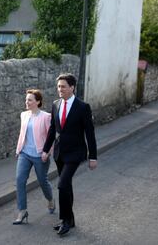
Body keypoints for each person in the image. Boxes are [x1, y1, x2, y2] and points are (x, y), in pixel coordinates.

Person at [42, 73, 97, 236]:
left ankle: (65, 221)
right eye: (58, 86)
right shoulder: (55, 104)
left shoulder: (83, 107)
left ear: (72, 87)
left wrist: (93, 156)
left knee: (62, 184)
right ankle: (71, 219)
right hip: (60, 153)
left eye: (63, 86)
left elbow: (90, 133)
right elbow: (53, 129)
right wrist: (46, 150)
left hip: (76, 152)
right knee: (66, 186)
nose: (60, 89)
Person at [13, 89, 55, 225]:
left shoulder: (46, 117)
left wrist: (47, 152)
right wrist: (18, 149)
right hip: (24, 154)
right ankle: (22, 211)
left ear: (38, 101)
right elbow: (22, 133)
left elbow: (51, 136)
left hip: (39, 155)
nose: (27, 102)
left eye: (30, 100)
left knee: (42, 181)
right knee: (20, 180)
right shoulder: (24, 115)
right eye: (26, 100)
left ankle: (50, 199)